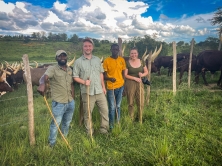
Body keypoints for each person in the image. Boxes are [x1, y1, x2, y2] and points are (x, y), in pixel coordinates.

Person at [37, 50, 75, 147]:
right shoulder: (52, 69)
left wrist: (73, 97)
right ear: (56, 58)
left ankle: (64, 138)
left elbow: (71, 84)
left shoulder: (70, 69)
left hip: (70, 102)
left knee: (67, 122)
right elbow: (44, 77)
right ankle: (52, 144)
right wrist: (42, 84)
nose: (62, 57)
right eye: (60, 56)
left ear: (66, 57)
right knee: (55, 124)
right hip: (59, 103)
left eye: (64, 56)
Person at [72, 38, 109, 135]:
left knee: (105, 111)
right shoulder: (78, 62)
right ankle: (89, 132)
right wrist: (84, 82)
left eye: (89, 46)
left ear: (92, 47)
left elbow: (101, 74)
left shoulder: (97, 60)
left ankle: (104, 130)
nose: (88, 48)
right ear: (83, 48)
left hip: (99, 91)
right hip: (87, 92)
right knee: (88, 114)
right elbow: (75, 77)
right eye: (85, 46)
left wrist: (104, 87)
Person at [103, 44, 126, 129]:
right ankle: (112, 125)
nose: (115, 51)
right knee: (112, 107)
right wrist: (109, 78)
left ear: (119, 50)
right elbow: (104, 76)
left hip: (120, 86)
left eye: (117, 49)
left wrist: (124, 86)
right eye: (113, 49)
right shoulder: (107, 61)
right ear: (111, 50)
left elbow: (123, 73)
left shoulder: (121, 60)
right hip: (111, 87)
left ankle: (118, 122)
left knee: (118, 106)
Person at [124, 47, 148, 121]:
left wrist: (142, 75)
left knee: (140, 101)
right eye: (132, 53)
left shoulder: (141, 61)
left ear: (137, 54)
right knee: (130, 101)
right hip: (130, 83)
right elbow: (126, 75)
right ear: (130, 54)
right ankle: (131, 118)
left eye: (135, 53)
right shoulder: (127, 62)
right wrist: (134, 78)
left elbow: (146, 71)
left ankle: (140, 118)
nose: (133, 55)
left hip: (139, 83)